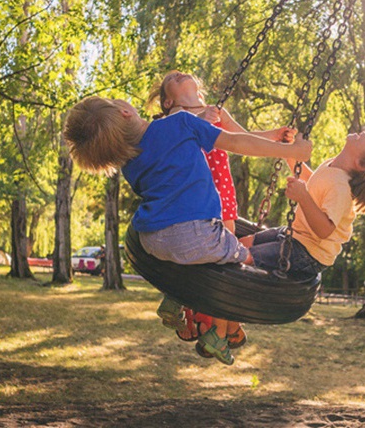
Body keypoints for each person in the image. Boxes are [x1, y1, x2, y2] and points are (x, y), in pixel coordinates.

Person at [62, 95, 311, 365]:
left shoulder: (129, 164)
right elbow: (236, 142)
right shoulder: (181, 123)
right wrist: (290, 152)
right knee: (247, 261)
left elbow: (167, 150)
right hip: (196, 232)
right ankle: (216, 334)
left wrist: (199, 122)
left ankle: (175, 298)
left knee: (191, 258)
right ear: (125, 112)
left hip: (152, 240)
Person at [146, 70, 296, 354]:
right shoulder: (172, 121)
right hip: (192, 199)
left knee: (222, 262)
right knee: (192, 251)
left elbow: (242, 138)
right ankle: (180, 304)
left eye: (182, 74)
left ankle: (218, 327)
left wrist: (275, 138)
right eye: (172, 78)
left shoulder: (216, 112)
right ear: (167, 101)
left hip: (222, 198)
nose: (178, 73)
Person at [239, 129, 365, 282]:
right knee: (242, 243)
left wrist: (303, 197)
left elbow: (324, 230)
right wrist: (290, 152)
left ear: (361, 163)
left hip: (307, 253)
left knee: (242, 256)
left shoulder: (341, 188)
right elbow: (313, 181)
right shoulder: (333, 167)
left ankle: (227, 324)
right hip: (295, 235)